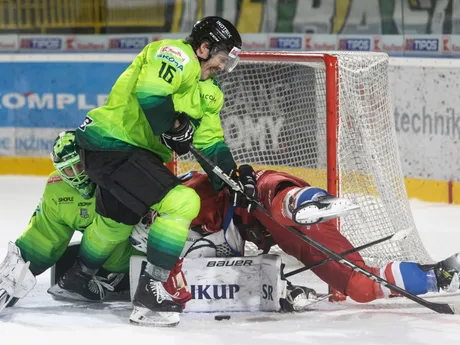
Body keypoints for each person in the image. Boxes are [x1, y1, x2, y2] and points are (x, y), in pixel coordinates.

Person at [60, 16, 257, 327]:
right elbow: (152, 94)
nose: (222, 68)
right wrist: (174, 125)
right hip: (114, 145)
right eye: (222, 59)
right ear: (203, 48)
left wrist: (232, 180)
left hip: (126, 154)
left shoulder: (209, 91)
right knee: (182, 202)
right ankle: (152, 294)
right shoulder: (175, 54)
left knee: (115, 223)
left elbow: (209, 142)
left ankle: (78, 277)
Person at [177, 169, 460, 303]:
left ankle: (306, 202)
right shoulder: (176, 234)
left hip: (254, 200)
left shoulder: (190, 198)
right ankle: (440, 276)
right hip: (263, 231)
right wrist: (282, 290)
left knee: (272, 197)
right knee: (361, 287)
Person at [0, 131, 191, 315]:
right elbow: (43, 235)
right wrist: (13, 278)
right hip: (107, 257)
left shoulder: (119, 175)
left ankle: (152, 278)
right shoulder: (57, 189)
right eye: (68, 168)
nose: (77, 175)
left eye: (80, 166)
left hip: (146, 249)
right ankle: (96, 274)